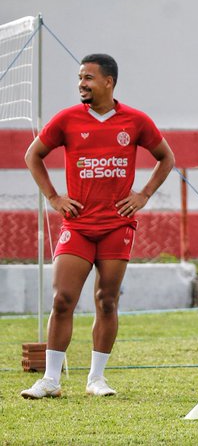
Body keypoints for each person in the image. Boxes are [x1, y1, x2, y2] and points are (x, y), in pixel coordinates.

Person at [21, 53, 175, 399]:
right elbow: (33, 155)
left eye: (88, 78)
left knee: (107, 300)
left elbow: (167, 157)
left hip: (117, 226)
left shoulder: (135, 121)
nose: (81, 84)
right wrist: (54, 198)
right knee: (62, 298)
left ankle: (96, 379)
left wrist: (144, 194)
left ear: (109, 82)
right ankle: (50, 380)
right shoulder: (67, 120)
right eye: (79, 78)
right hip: (77, 226)